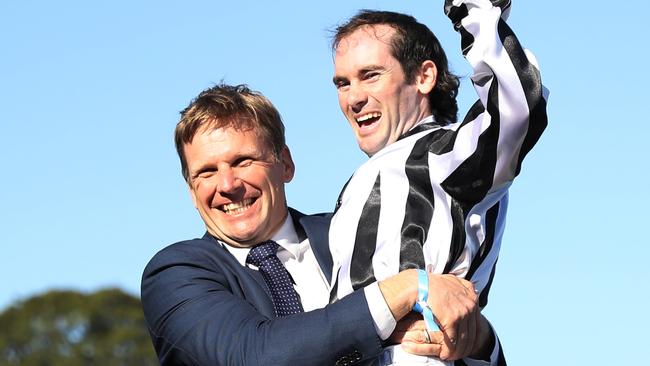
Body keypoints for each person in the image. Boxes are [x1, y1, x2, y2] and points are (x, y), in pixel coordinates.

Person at [141, 83, 499, 365]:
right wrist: (402, 289)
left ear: (285, 164)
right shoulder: (175, 275)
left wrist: (476, 338)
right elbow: (256, 357)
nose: (228, 185)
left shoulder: (356, 234)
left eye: (243, 161)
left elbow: (447, 323)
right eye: (206, 172)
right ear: (191, 190)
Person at [328, 0, 548, 365]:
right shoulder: (361, 184)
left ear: (424, 77)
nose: (353, 97)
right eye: (342, 83)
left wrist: (475, 12)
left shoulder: (443, 154)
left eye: (371, 75)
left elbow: (518, 108)